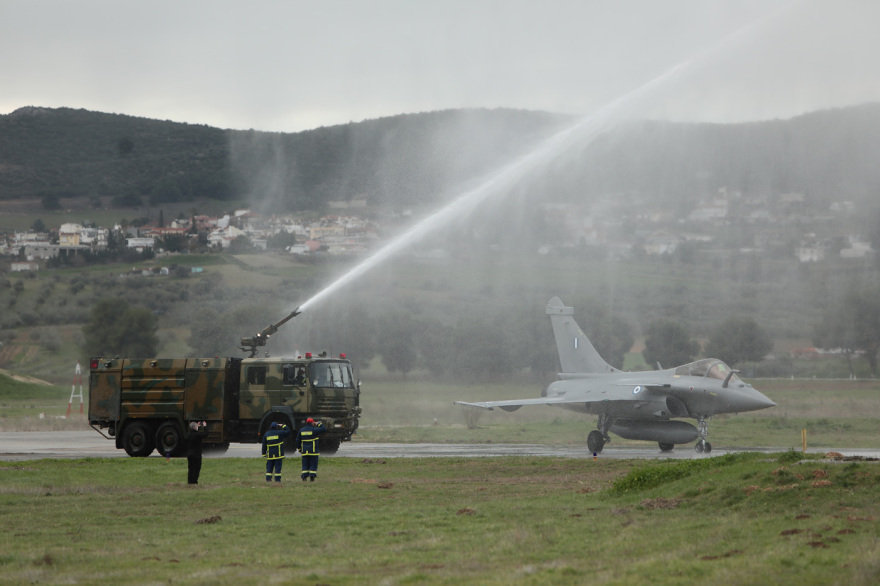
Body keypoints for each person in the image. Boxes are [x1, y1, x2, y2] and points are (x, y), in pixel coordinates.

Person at [296, 417, 326, 482]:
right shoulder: (314, 430)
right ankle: (312, 477)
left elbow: (298, 440)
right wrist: (318, 424)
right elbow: (324, 429)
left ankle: (304, 477)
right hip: (313, 451)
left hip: (304, 451)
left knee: (305, 465)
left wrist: (300, 449)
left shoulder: (301, 430)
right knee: (313, 464)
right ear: (312, 423)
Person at [185, 420, 208, 485]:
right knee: (197, 468)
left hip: (189, 454)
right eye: (197, 426)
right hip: (196, 454)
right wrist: (204, 426)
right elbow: (205, 434)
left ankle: (190, 481)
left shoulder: (188, 434)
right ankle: (194, 481)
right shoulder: (197, 435)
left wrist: (197, 426)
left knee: (190, 468)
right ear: (195, 427)